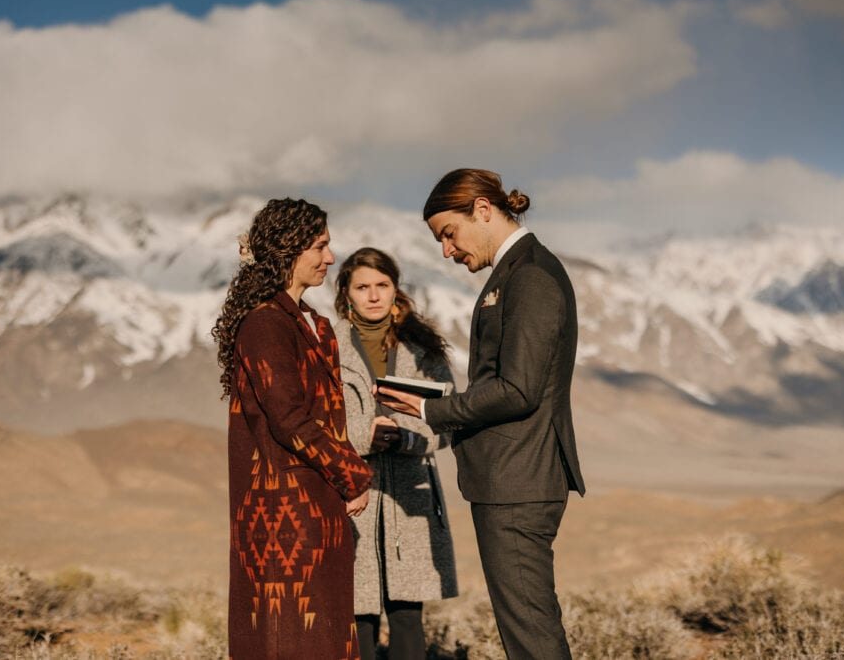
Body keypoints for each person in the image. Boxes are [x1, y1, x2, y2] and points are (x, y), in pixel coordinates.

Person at [378, 169, 586, 659]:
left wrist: (434, 409)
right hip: (512, 480)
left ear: (483, 210)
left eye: (448, 234)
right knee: (527, 631)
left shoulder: (530, 276)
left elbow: (518, 389)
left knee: (531, 636)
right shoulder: (516, 273)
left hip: (519, 482)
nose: (447, 251)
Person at [213, 197, 374, 660]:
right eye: (320, 246)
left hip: (316, 511)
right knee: (293, 642)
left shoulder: (310, 323)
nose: (330, 257)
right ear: (289, 250)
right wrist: (353, 473)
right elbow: (289, 418)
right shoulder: (264, 324)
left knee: (320, 637)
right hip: (284, 515)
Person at [333, 247, 459, 660]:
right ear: (346, 294)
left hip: (411, 497)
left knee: (407, 616)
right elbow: (314, 421)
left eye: (382, 285)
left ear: (395, 289)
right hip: (352, 495)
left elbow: (450, 420)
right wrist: (363, 436)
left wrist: (405, 439)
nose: (373, 296)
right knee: (357, 614)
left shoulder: (425, 349)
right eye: (362, 287)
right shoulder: (325, 349)